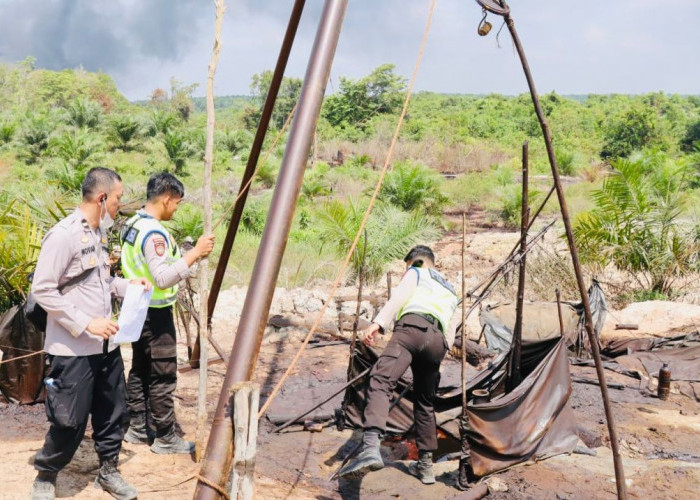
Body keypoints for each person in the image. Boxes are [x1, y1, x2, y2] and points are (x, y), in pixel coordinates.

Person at [30, 167, 152, 500]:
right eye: (117, 199)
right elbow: (43, 289)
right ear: (101, 198)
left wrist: (129, 286)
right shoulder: (64, 234)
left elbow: (102, 283)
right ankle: (46, 474)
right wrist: (86, 323)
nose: (118, 205)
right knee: (69, 420)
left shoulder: (99, 234)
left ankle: (108, 472)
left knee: (113, 412)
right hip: (72, 348)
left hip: (105, 345)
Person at [339, 245, 464, 485]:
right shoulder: (450, 289)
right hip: (437, 342)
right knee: (425, 402)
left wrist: (378, 323)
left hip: (411, 329)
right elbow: (451, 326)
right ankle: (426, 467)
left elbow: (399, 297)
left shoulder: (417, 271)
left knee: (381, 379)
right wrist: (440, 354)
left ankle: (370, 449)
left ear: (416, 261)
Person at [120, 172, 215, 454]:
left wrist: (184, 252)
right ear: (166, 198)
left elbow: (155, 263)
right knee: (163, 373)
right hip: (155, 312)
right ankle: (164, 436)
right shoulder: (153, 233)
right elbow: (162, 277)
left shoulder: (133, 222)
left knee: (140, 369)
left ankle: (137, 427)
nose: (176, 209)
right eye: (177, 203)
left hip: (138, 308)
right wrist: (195, 254)